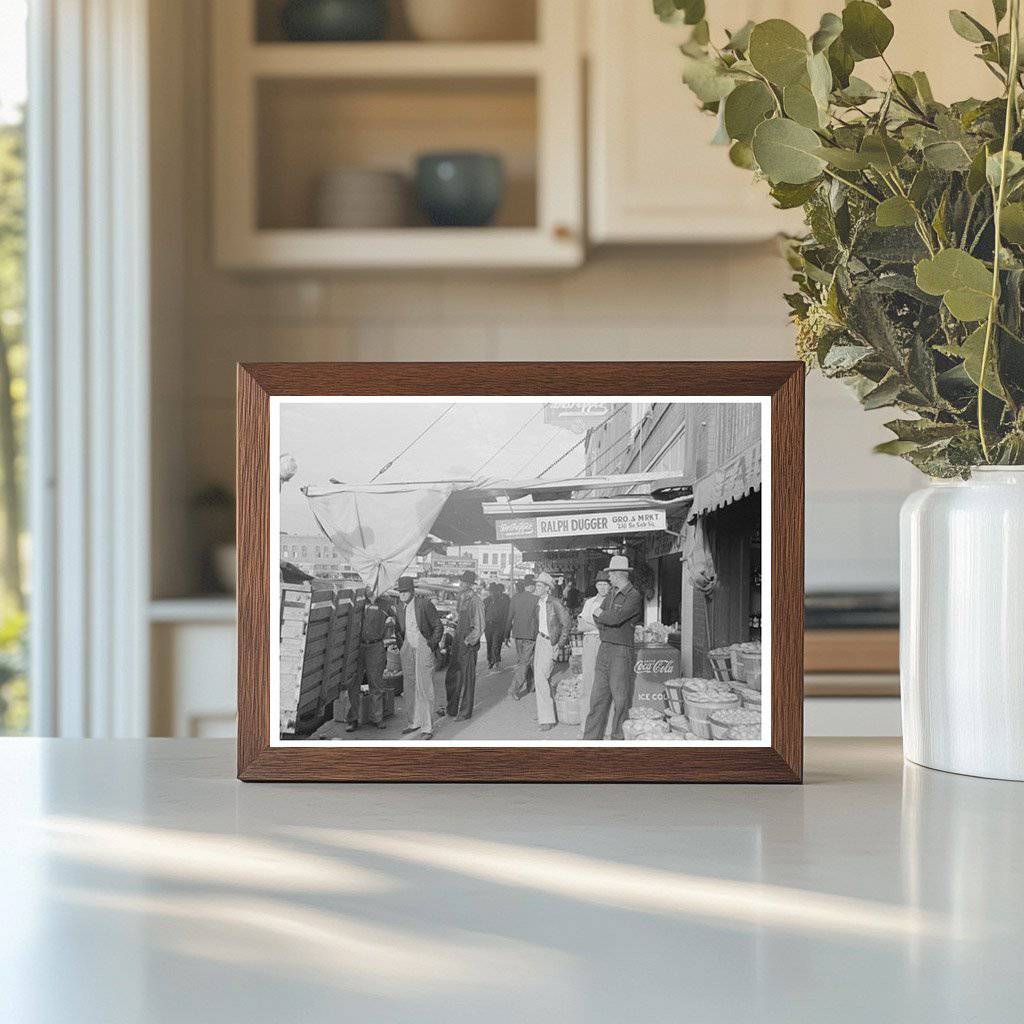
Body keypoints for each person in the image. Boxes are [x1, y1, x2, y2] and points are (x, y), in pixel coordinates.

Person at [583, 555, 644, 741]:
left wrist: (605, 617)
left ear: (618, 574)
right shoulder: (611, 594)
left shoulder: (634, 596)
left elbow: (615, 619)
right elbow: (596, 616)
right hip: (605, 648)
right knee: (597, 698)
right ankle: (590, 740)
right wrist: (606, 620)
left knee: (620, 699)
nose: (608, 578)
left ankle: (617, 740)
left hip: (621, 651)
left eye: (610, 574)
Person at [393, 576, 443, 740]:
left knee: (424, 688)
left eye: (405, 591)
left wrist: (430, 645)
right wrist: (402, 647)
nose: (402, 594)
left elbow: (438, 626)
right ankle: (414, 722)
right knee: (409, 687)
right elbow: (398, 629)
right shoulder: (399, 607)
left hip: (423, 645)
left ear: (412, 592)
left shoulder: (424, 604)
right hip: (408, 647)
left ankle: (427, 727)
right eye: (400, 592)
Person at [532, 572, 570, 732]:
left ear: (548, 588)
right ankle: (546, 712)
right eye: (536, 585)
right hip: (540, 640)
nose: (536, 588)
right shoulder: (538, 603)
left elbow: (566, 624)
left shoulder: (555, 603)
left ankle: (547, 718)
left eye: (540, 585)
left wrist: (559, 645)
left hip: (550, 642)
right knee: (541, 678)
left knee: (541, 678)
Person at [345, 590, 388, 732]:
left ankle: (377, 718)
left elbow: (397, 619)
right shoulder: (359, 602)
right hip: (357, 647)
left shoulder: (385, 604)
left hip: (376, 646)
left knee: (376, 683)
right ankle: (353, 719)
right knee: (353, 683)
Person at [576, 571, 610, 738]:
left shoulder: (614, 601)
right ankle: (585, 727)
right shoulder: (589, 602)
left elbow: (614, 626)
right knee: (588, 683)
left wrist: (593, 625)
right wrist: (601, 627)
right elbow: (581, 626)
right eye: (600, 584)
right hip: (590, 642)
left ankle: (607, 729)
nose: (602, 587)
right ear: (596, 585)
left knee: (607, 685)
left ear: (610, 586)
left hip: (607, 644)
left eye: (605, 584)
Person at [452, 570, 486, 720]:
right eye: (461, 581)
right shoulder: (461, 598)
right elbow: (459, 618)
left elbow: (480, 626)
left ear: (469, 584)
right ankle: (452, 708)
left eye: (463, 582)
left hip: (468, 643)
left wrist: (468, 641)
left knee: (467, 678)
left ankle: (465, 711)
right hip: (458, 640)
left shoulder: (475, 601)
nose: (461, 584)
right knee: (454, 675)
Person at [505, 575, 539, 700]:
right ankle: (513, 689)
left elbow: (509, 617)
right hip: (530, 635)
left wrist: (506, 634)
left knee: (524, 660)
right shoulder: (536, 599)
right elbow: (538, 619)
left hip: (518, 634)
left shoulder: (515, 598)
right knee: (524, 662)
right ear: (532, 586)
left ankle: (531, 685)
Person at [483, 582, 511, 669]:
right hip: (488, 625)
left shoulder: (503, 601)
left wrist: (506, 629)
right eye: (491, 591)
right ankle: (490, 659)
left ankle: (496, 660)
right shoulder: (486, 601)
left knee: (496, 643)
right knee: (489, 643)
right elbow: (482, 613)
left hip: (498, 626)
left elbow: (506, 615)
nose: (492, 593)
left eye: (494, 591)